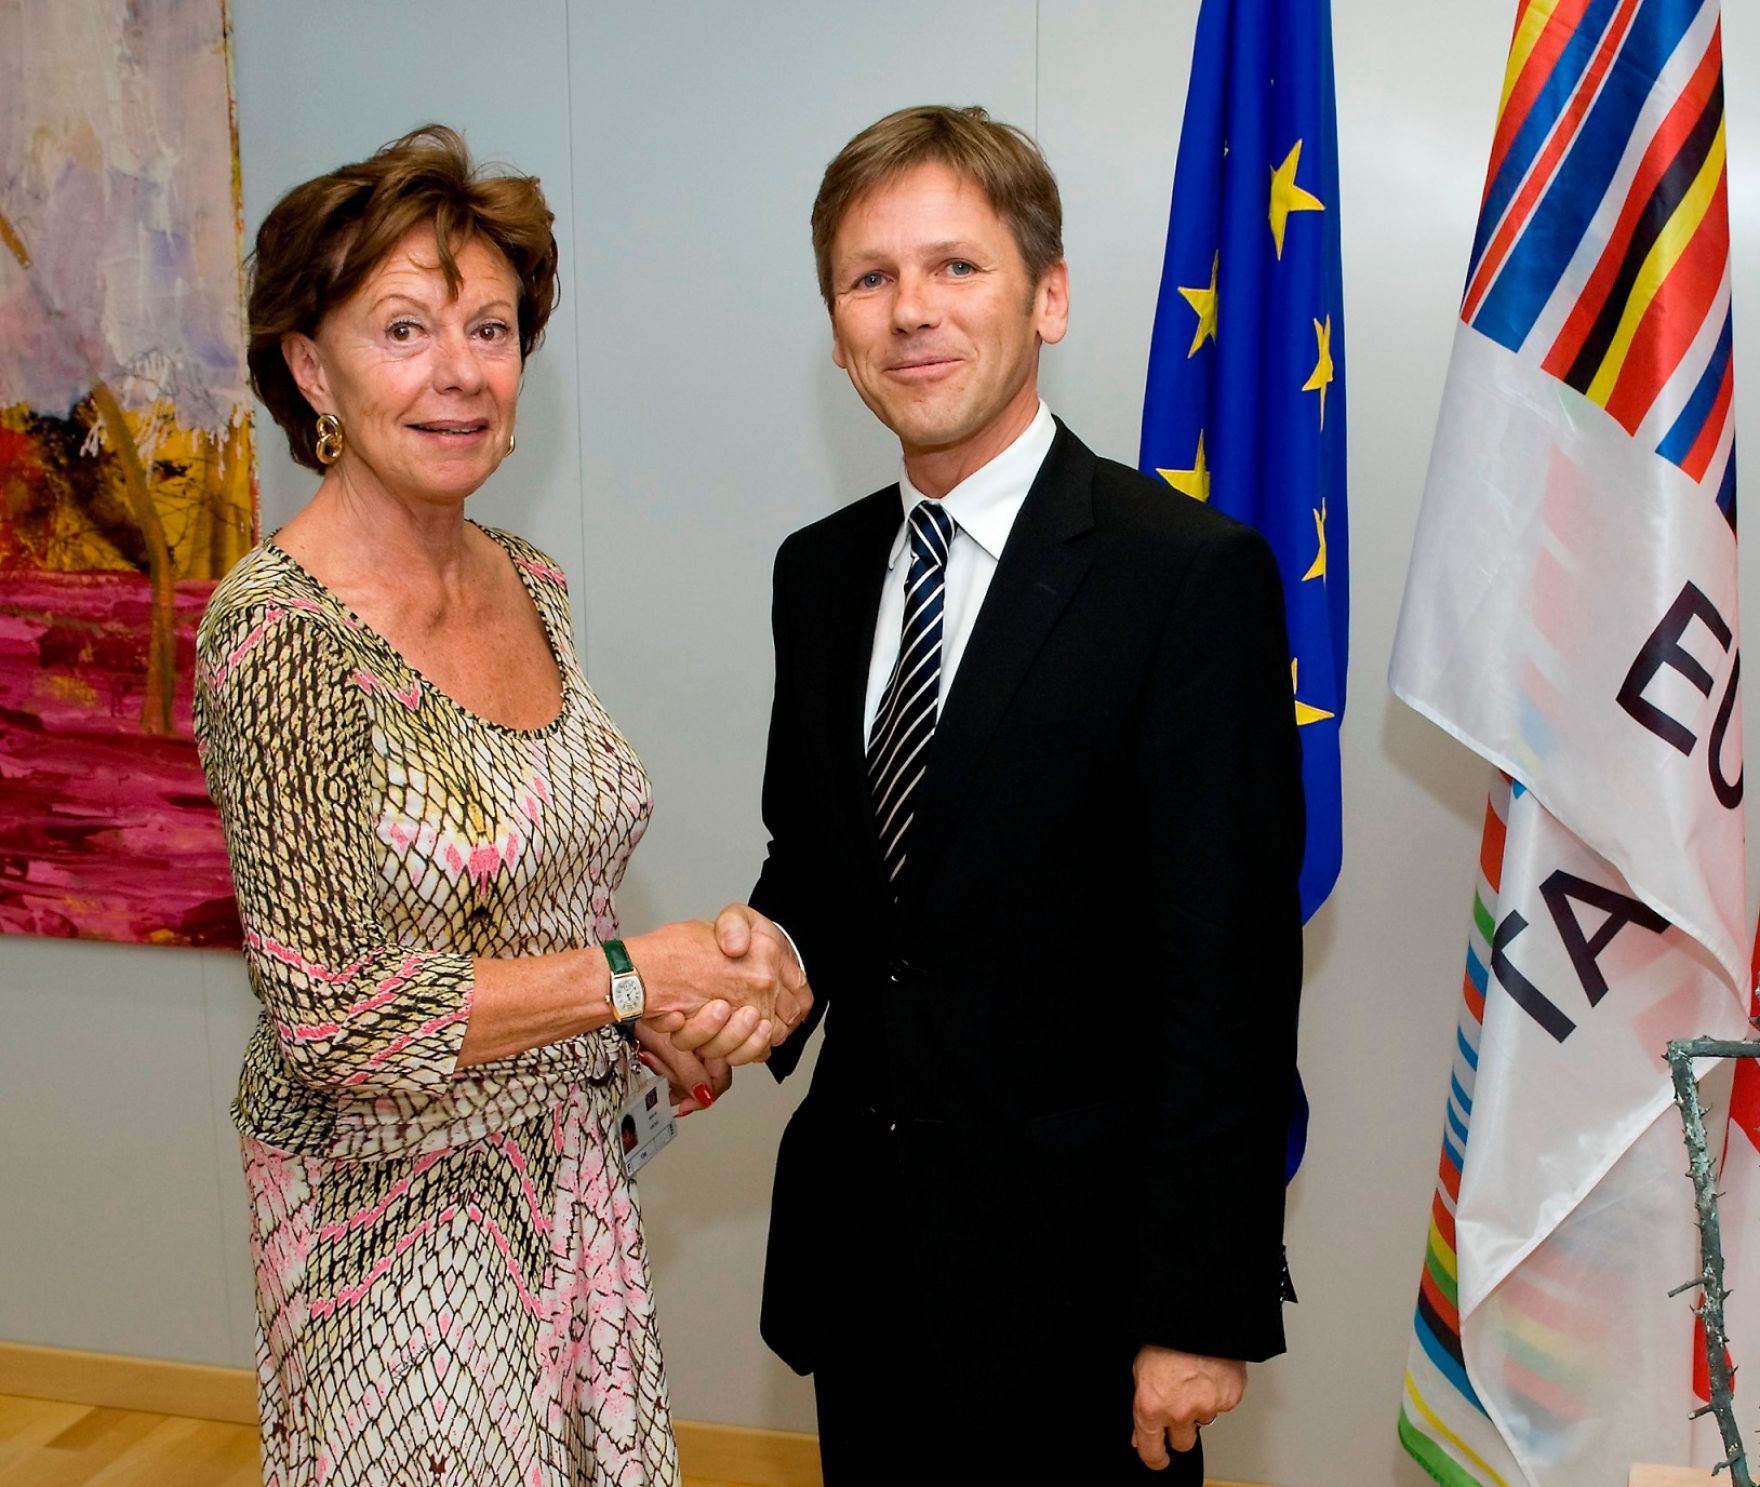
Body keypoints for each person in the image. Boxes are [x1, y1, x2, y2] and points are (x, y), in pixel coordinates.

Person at [194, 125, 807, 1487]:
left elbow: (540, 899)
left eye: (490, 327)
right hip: (387, 1228)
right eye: (403, 328)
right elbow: (338, 1019)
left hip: (567, 1178)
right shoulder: (279, 637)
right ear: (311, 369)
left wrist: (648, 1036)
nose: (459, 372)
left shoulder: (530, 581)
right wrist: (633, 980)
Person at [731, 105, 1304, 1483]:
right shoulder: (817, 574)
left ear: (1049, 296)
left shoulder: (1187, 578)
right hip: (863, 1271)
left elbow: (1226, 980)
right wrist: (746, 978)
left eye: (955, 267)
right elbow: (821, 870)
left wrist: (1197, 1306)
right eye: (870, 279)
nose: (910, 312)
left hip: (1091, 1308)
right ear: (834, 327)